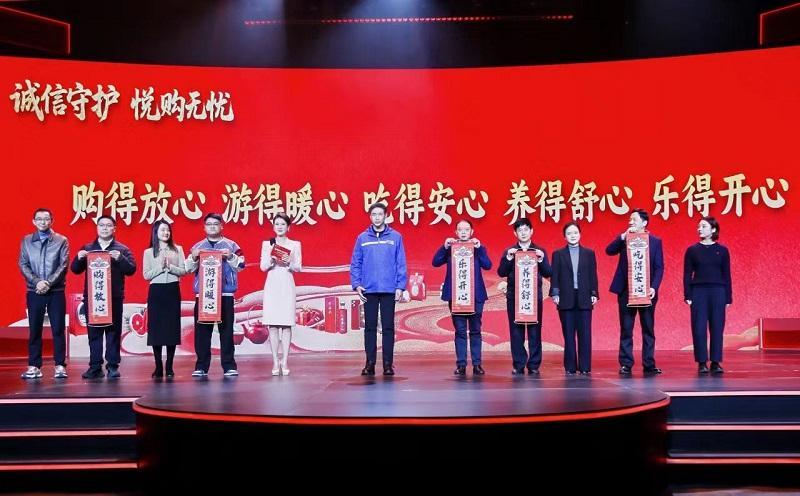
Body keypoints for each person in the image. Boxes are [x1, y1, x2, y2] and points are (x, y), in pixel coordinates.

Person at [70, 215, 136, 379]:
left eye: (108, 225)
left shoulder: (122, 249)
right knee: (94, 333)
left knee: (113, 333)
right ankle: (95, 367)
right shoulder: (88, 248)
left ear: (114, 229)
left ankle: (112, 366)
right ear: (97, 228)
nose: (105, 228)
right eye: (101, 225)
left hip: (114, 298)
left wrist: (120, 259)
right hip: (93, 298)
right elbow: (75, 269)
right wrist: (78, 258)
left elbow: (131, 270)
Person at [350, 202, 407, 376]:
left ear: (385, 216)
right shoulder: (362, 238)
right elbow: (356, 263)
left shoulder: (395, 237)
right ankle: (370, 364)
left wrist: (400, 286)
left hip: (389, 289)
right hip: (369, 289)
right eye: (373, 214)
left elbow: (401, 263)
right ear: (370, 217)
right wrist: (356, 284)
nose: (377, 218)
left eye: (380, 214)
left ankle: (388, 365)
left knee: (388, 328)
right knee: (370, 327)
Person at [185, 213, 245, 378]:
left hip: (225, 294)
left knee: (226, 332)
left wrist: (231, 256)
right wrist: (193, 257)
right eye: (209, 224)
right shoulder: (198, 247)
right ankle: (201, 366)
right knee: (202, 333)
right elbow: (188, 268)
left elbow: (241, 265)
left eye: (215, 224)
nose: (212, 226)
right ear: (204, 227)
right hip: (204, 295)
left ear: (221, 226)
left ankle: (229, 366)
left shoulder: (231, 245)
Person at [606, 209, 664, 376]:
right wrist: (622, 237)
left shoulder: (655, 241)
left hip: (647, 291)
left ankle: (649, 363)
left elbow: (659, 267)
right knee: (626, 328)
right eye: (630, 219)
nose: (630, 222)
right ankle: (626, 364)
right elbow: (609, 250)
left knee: (648, 328)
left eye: (634, 219)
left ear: (644, 223)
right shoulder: (625, 239)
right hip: (626, 290)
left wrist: (654, 287)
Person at [432, 219, 492, 375]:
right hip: (456, 296)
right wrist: (444, 247)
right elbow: (435, 262)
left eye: (466, 229)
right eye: (460, 229)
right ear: (456, 232)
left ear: (472, 232)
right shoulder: (451, 248)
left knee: (475, 330)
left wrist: (479, 248)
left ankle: (477, 364)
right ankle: (461, 364)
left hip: (476, 296)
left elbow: (488, 265)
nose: (464, 232)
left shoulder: (478, 248)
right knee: (460, 331)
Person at [18, 208, 69, 379]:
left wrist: (48, 283)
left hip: (56, 291)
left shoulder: (61, 240)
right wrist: (37, 282)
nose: (43, 222)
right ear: (34, 221)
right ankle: (34, 366)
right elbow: (23, 264)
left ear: (51, 221)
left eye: (46, 219)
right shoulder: (26, 241)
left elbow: (63, 265)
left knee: (58, 329)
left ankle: (60, 365)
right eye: (39, 219)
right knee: (35, 329)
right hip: (34, 290)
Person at [497, 218, 552, 375]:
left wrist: (541, 259)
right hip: (514, 297)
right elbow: (501, 272)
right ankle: (519, 364)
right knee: (516, 332)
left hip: (534, 297)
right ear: (515, 233)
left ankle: (534, 364)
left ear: (531, 231)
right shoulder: (510, 251)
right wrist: (508, 258)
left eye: (526, 229)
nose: (523, 233)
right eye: (519, 230)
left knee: (535, 331)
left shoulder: (539, 251)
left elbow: (548, 273)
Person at [683, 216, 731, 374]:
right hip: (698, 291)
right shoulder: (692, 250)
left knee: (717, 327)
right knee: (699, 327)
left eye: (703, 226)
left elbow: (726, 274)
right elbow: (687, 274)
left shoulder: (722, 251)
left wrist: (728, 297)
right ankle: (702, 362)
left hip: (718, 291)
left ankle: (716, 362)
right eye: (699, 226)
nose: (699, 229)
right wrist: (688, 295)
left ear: (713, 229)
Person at [550, 222, 598, 375]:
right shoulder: (558, 254)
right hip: (566, 298)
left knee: (585, 334)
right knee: (569, 335)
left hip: (584, 297)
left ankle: (584, 367)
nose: (573, 236)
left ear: (580, 234)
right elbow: (555, 276)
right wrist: (555, 293)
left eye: (575, 232)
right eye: (569, 233)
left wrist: (594, 293)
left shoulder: (589, 253)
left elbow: (593, 275)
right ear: (564, 236)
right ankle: (570, 367)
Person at [142, 220, 187, 379]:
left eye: (168, 230)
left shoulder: (177, 249)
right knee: (156, 329)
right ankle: (158, 365)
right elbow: (146, 275)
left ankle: (169, 365)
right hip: (156, 291)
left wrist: (170, 267)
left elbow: (184, 270)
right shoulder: (149, 252)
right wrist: (160, 267)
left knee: (171, 328)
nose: (166, 233)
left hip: (172, 290)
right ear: (156, 232)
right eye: (162, 230)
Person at [260, 213, 302, 376]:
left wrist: (289, 262)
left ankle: (284, 361)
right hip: (272, 283)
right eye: (277, 224)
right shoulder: (267, 244)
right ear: (273, 226)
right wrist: (271, 260)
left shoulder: (295, 244)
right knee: (273, 324)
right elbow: (263, 267)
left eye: (283, 224)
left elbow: (298, 267)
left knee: (286, 324)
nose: (279, 227)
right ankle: (275, 361)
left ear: (288, 227)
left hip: (286, 281)